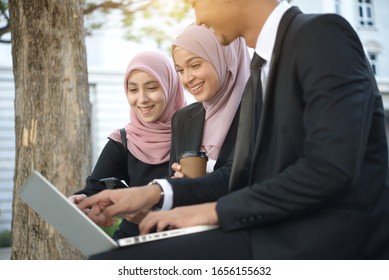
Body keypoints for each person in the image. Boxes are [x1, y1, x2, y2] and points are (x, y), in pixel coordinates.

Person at [78, 0, 389, 259]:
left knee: (114, 264)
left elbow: (331, 168)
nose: (196, 15)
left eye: (196, 1)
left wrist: (211, 213)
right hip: (274, 232)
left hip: (327, 241)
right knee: (112, 258)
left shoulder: (320, 34)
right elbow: (244, 175)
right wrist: (154, 192)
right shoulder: (260, 72)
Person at [69, 50, 186, 238]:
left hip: (183, 242)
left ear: (170, 87)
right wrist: (80, 201)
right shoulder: (123, 140)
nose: (142, 99)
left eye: (151, 87)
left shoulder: (195, 136)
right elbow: (94, 189)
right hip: (133, 237)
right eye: (133, 90)